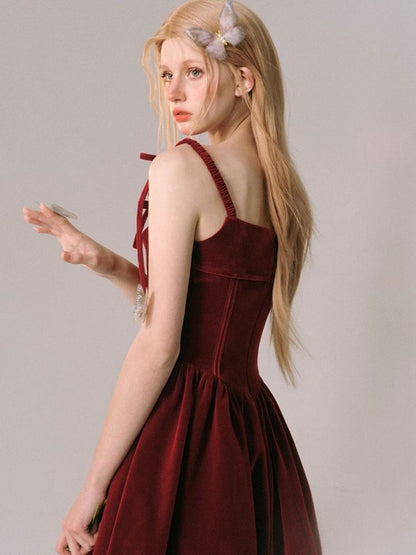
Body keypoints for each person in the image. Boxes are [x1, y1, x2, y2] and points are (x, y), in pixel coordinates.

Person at [23, 0, 321, 553]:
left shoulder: (182, 168)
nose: (174, 93)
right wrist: (110, 264)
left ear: (244, 79)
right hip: (249, 431)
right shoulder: (280, 186)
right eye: (166, 75)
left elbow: (162, 347)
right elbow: (209, 314)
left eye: (194, 72)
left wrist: (91, 491)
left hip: (185, 432)